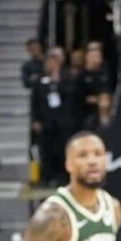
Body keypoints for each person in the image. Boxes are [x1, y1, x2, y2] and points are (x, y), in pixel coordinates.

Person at [29, 49, 75, 186]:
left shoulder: (67, 78)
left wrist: (57, 82)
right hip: (46, 123)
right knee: (46, 151)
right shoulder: (40, 80)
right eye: (48, 62)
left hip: (63, 123)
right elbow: (34, 101)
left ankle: (62, 177)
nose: (50, 65)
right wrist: (35, 120)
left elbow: (71, 96)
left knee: (61, 150)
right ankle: (47, 177)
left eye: (53, 62)